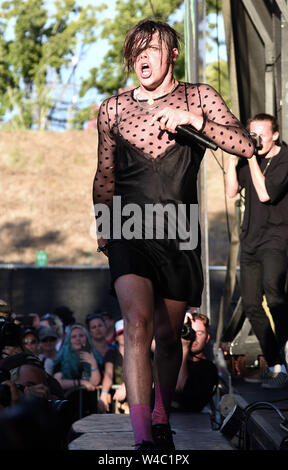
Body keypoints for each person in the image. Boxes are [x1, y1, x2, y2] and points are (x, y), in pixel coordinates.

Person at [93, 18, 254, 450]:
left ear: (173, 54)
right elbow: (105, 175)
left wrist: (196, 120)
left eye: (152, 49)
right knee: (138, 323)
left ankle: (162, 415)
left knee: (167, 336)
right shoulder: (112, 108)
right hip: (126, 226)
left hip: (178, 230)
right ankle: (144, 438)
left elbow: (245, 145)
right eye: (136, 51)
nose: (143, 58)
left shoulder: (199, 96)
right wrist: (104, 227)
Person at [225, 113, 288, 389]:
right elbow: (231, 191)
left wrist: (250, 157)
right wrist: (231, 156)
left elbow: (265, 194)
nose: (256, 140)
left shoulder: (284, 159)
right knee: (251, 304)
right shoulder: (249, 158)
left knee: (274, 295)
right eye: (252, 134)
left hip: (276, 238)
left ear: (275, 135)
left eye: (261, 134)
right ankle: (275, 362)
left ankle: (285, 358)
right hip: (250, 240)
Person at [172, 311, 218, 412]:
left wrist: (184, 348)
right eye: (190, 331)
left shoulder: (209, 369)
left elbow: (181, 390)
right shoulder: (169, 359)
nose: (193, 337)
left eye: (199, 333)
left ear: (207, 338)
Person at [53, 323, 101, 392]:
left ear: (87, 338)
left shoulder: (94, 355)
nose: (78, 339)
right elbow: (58, 382)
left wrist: (93, 364)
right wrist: (81, 382)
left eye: (81, 336)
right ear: (69, 340)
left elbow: (95, 382)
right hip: (68, 399)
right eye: (74, 337)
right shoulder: (61, 358)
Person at [98, 319, 127, 413]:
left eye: (127, 331)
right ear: (116, 337)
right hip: (117, 402)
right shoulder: (111, 353)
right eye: (121, 333)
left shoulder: (141, 352)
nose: (124, 335)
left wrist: (126, 386)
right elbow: (108, 374)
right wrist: (104, 393)